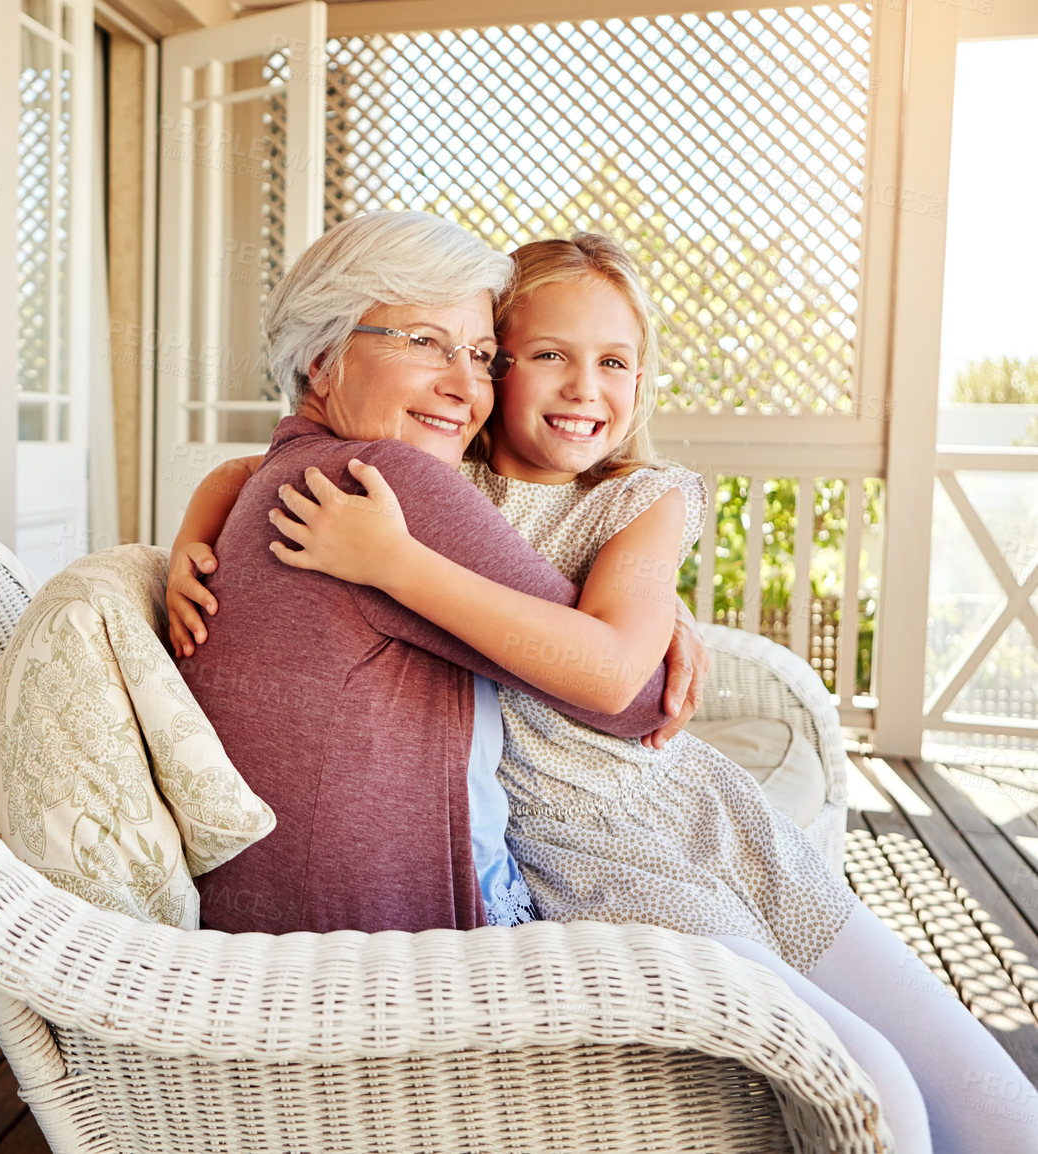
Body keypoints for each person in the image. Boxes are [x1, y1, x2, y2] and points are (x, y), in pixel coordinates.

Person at [180, 227, 1038, 1153]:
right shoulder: (429, 474)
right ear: (507, 372)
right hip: (579, 856)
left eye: (616, 361)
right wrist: (200, 525)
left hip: (673, 804)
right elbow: (254, 466)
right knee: (867, 1088)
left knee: (983, 1095)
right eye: (542, 354)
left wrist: (404, 565)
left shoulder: (634, 495)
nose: (584, 386)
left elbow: (615, 672)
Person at [172, 210, 710, 942]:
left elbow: (240, 470)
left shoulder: (294, 472)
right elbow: (638, 696)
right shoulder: (387, 485)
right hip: (400, 946)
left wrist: (650, 601)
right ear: (322, 359)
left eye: (482, 355)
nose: (465, 386)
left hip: (267, 928)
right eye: (425, 342)